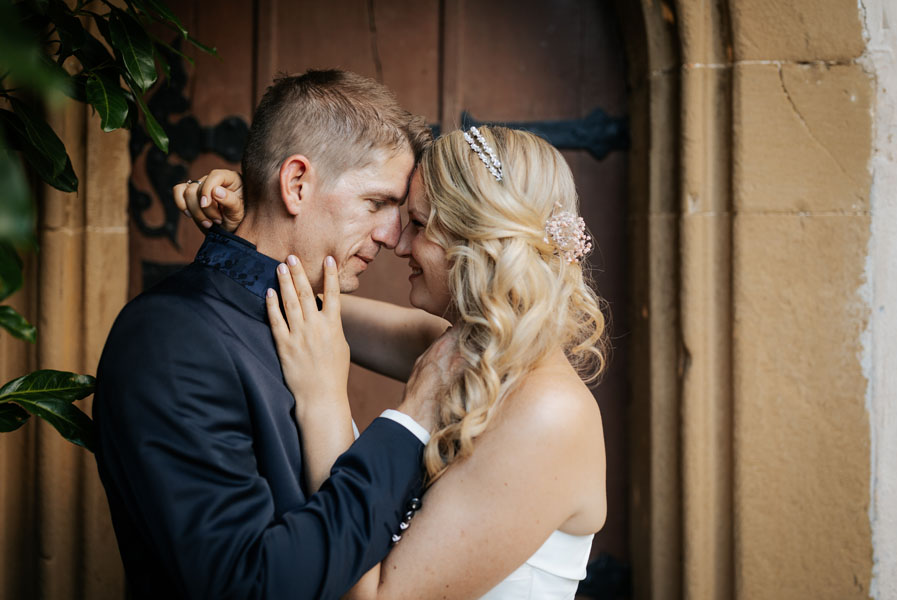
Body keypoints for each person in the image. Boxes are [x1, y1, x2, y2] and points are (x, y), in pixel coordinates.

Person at [182, 125, 609, 599]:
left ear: (481, 241)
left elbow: (372, 594)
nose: (399, 244)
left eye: (420, 225)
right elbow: (299, 302)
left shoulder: (547, 414)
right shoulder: (467, 352)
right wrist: (260, 223)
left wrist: (323, 399)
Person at [93, 70, 445, 600]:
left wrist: (244, 254)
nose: (393, 237)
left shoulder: (304, 315)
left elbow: (450, 339)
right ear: (297, 183)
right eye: (377, 204)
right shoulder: (169, 340)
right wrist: (408, 423)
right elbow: (251, 584)